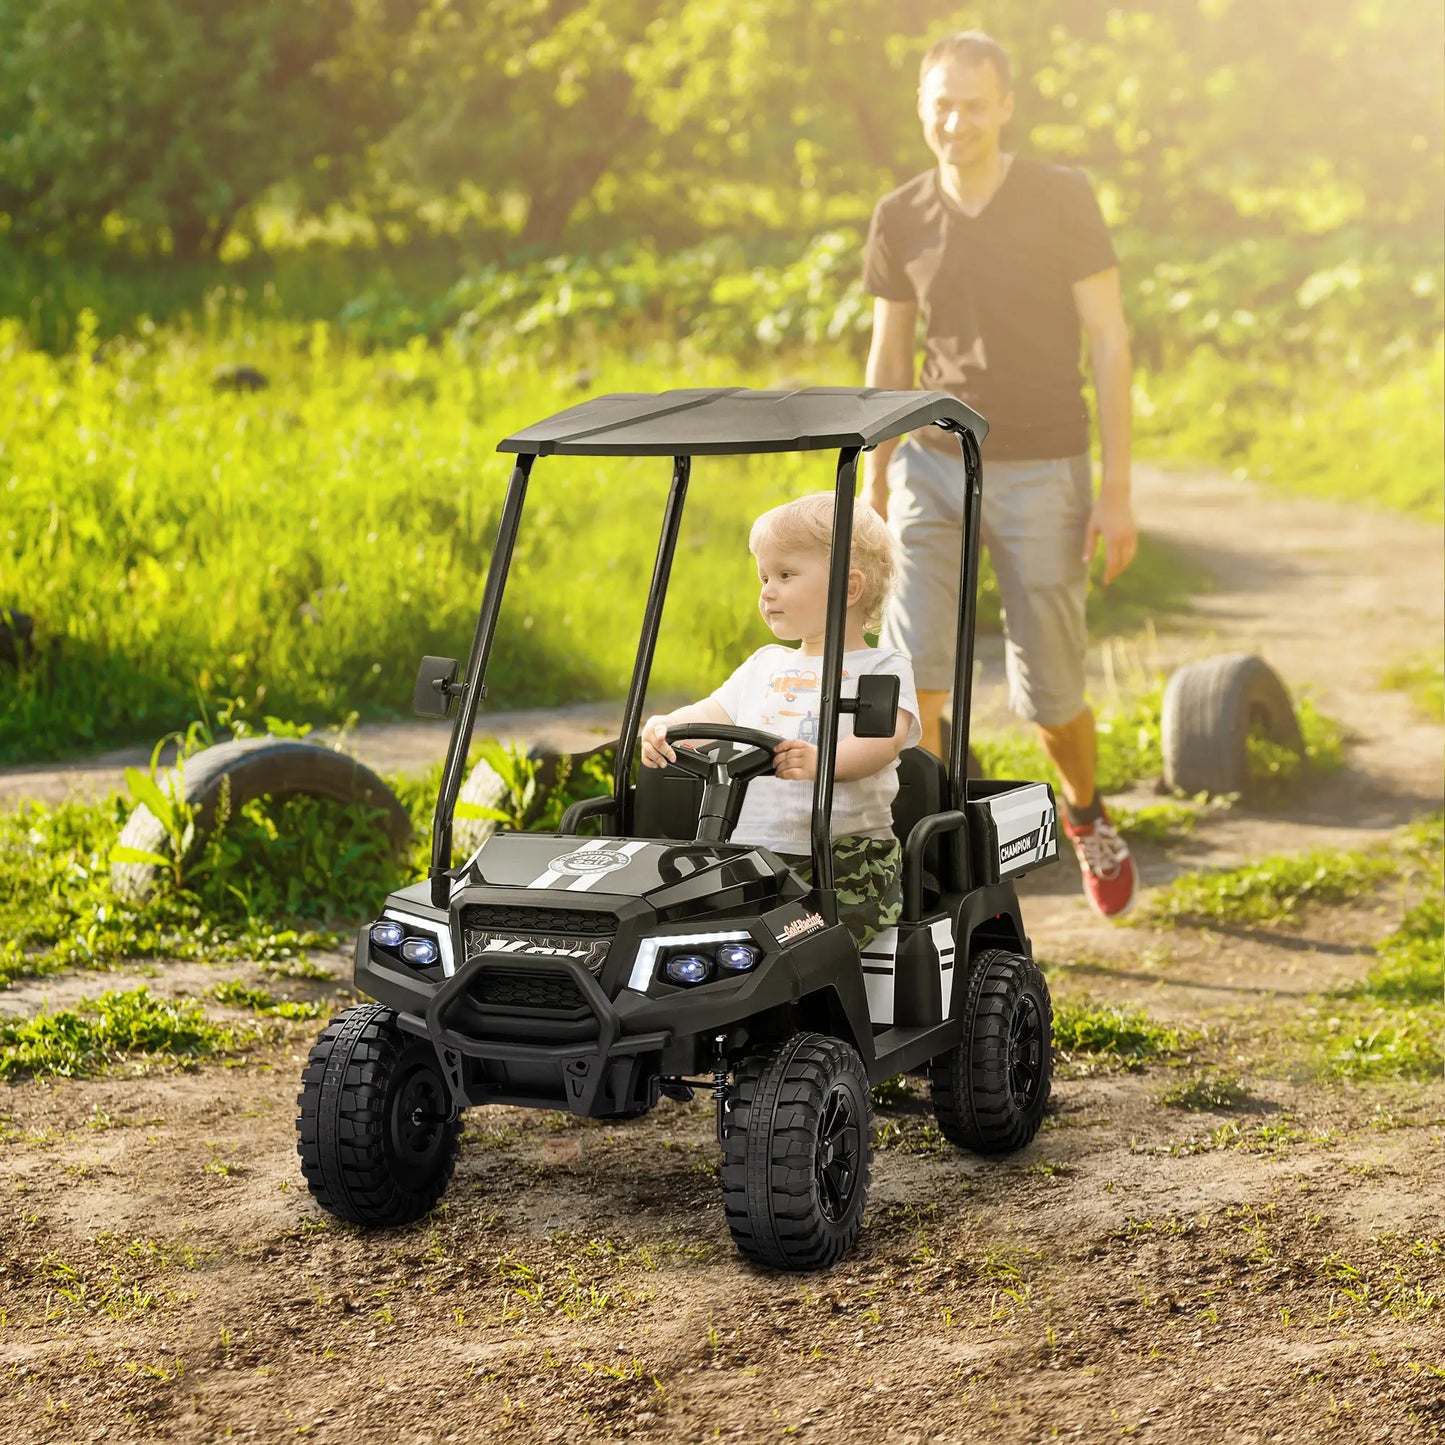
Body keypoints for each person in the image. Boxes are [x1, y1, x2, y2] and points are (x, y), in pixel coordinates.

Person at [860, 28, 1140, 919]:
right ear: (921, 109)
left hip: (1044, 465)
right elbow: (888, 350)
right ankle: (932, 871)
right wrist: (874, 476)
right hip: (933, 465)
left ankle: (1085, 812)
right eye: (941, 104)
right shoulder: (899, 215)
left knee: (1050, 695)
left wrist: (1118, 487)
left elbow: (1109, 338)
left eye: (973, 104)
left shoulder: (1061, 197)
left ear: (1005, 105)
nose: (956, 121)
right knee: (918, 680)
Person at [642, 493, 921, 946]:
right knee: (690, 933)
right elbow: (709, 714)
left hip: (847, 860)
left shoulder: (882, 667)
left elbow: (884, 741)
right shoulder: (764, 665)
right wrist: (665, 726)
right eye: (764, 577)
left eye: (785, 575)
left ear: (848, 589)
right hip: (749, 855)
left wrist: (821, 764)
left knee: (794, 946)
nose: (767, 591)